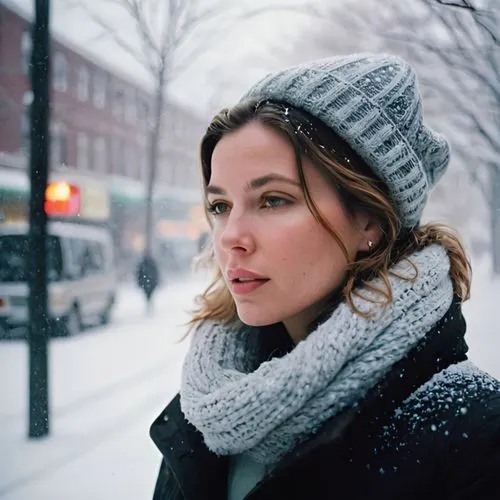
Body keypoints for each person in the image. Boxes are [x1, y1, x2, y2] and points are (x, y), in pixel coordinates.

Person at [149, 53, 500, 499]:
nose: (230, 237)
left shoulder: (474, 437)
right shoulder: (210, 402)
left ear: (370, 219)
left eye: (273, 200)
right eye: (220, 206)